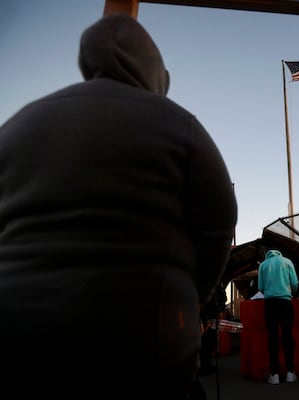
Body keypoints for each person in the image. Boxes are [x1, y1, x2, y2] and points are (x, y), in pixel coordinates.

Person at [0, 14, 237, 399]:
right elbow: (218, 222)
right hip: (149, 335)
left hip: (17, 328)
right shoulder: (178, 123)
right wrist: (195, 293)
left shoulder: (19, 123)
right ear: (155, 71)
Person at [257, 249, 299, 385]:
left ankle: (274, 374)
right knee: (287, 335)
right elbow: (295, 283)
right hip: (285, 302)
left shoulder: (263, 265)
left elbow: (260, 287)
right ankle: (290, 372)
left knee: (273, 337)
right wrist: (291, 292)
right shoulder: (287, 262)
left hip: (270, 304)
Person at [198, 283, 227, 376]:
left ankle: (206, 364)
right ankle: (204, 366)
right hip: (209, 314)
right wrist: (218, 310)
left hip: (210, 313)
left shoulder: (215, 283)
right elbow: (213, 297)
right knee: (208, 339)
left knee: (209, 340)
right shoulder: (211, 283)